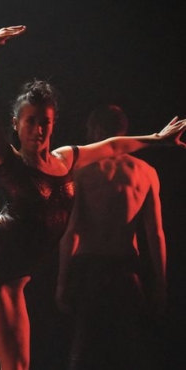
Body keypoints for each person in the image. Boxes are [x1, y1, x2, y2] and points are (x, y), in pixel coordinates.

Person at [0, 26, 186, 370]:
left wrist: (157, 139)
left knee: (18, 367)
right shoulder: (9, 161)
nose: (39, 129)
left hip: (16, 276)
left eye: (45, 121)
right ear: (17, 124)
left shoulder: (66, 158)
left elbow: (113, 146)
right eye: (30, 122)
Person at [55, 105, 167, 370]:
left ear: (97, 130)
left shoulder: (81, 172)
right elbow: (155, 234)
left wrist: (61, 281)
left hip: (89, 270)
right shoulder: (146, 172)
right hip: (127, 270)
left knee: (83, 352)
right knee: (130, 353)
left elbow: (71, 231)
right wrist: (161, 284)